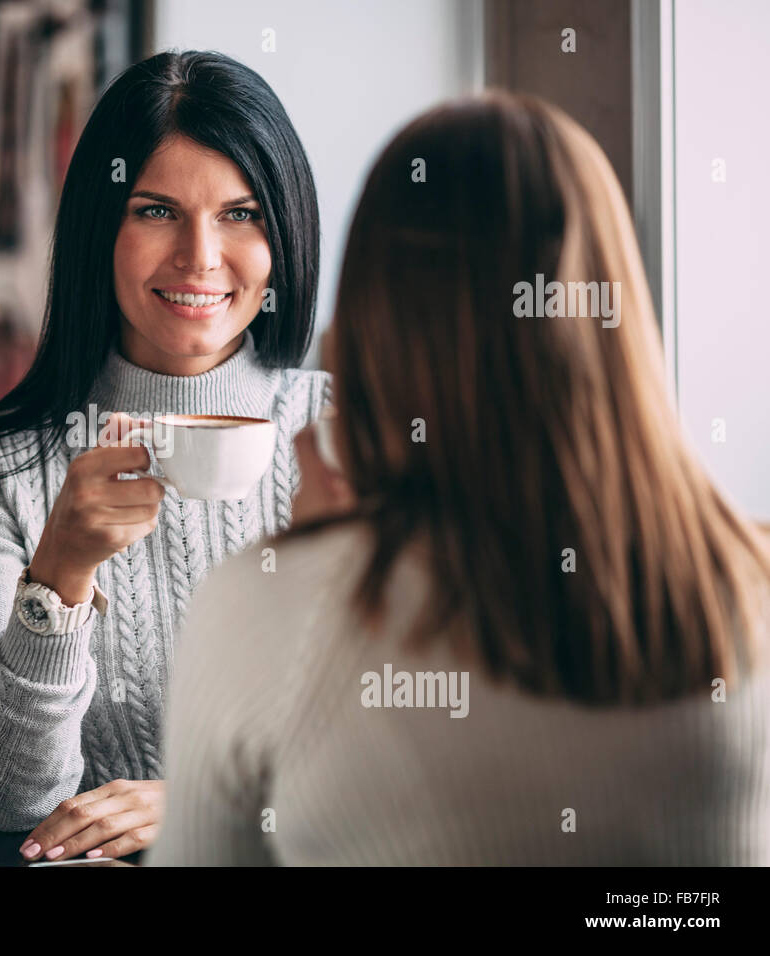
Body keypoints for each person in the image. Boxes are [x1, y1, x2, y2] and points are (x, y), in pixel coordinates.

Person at [149, 91, 770, 865]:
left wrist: (306, 580)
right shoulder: (750, 586)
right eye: (156, 211)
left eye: (241, 214)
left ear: (370, 317)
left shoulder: (270, 613)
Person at [0, 51, 331, 861]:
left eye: (240, 215)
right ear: (102, 227)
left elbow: (423, 741)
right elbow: (4, 797)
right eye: (157, 211)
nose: (200, 256)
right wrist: (58, 574)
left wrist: (207, 806)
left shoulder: (348, 434)